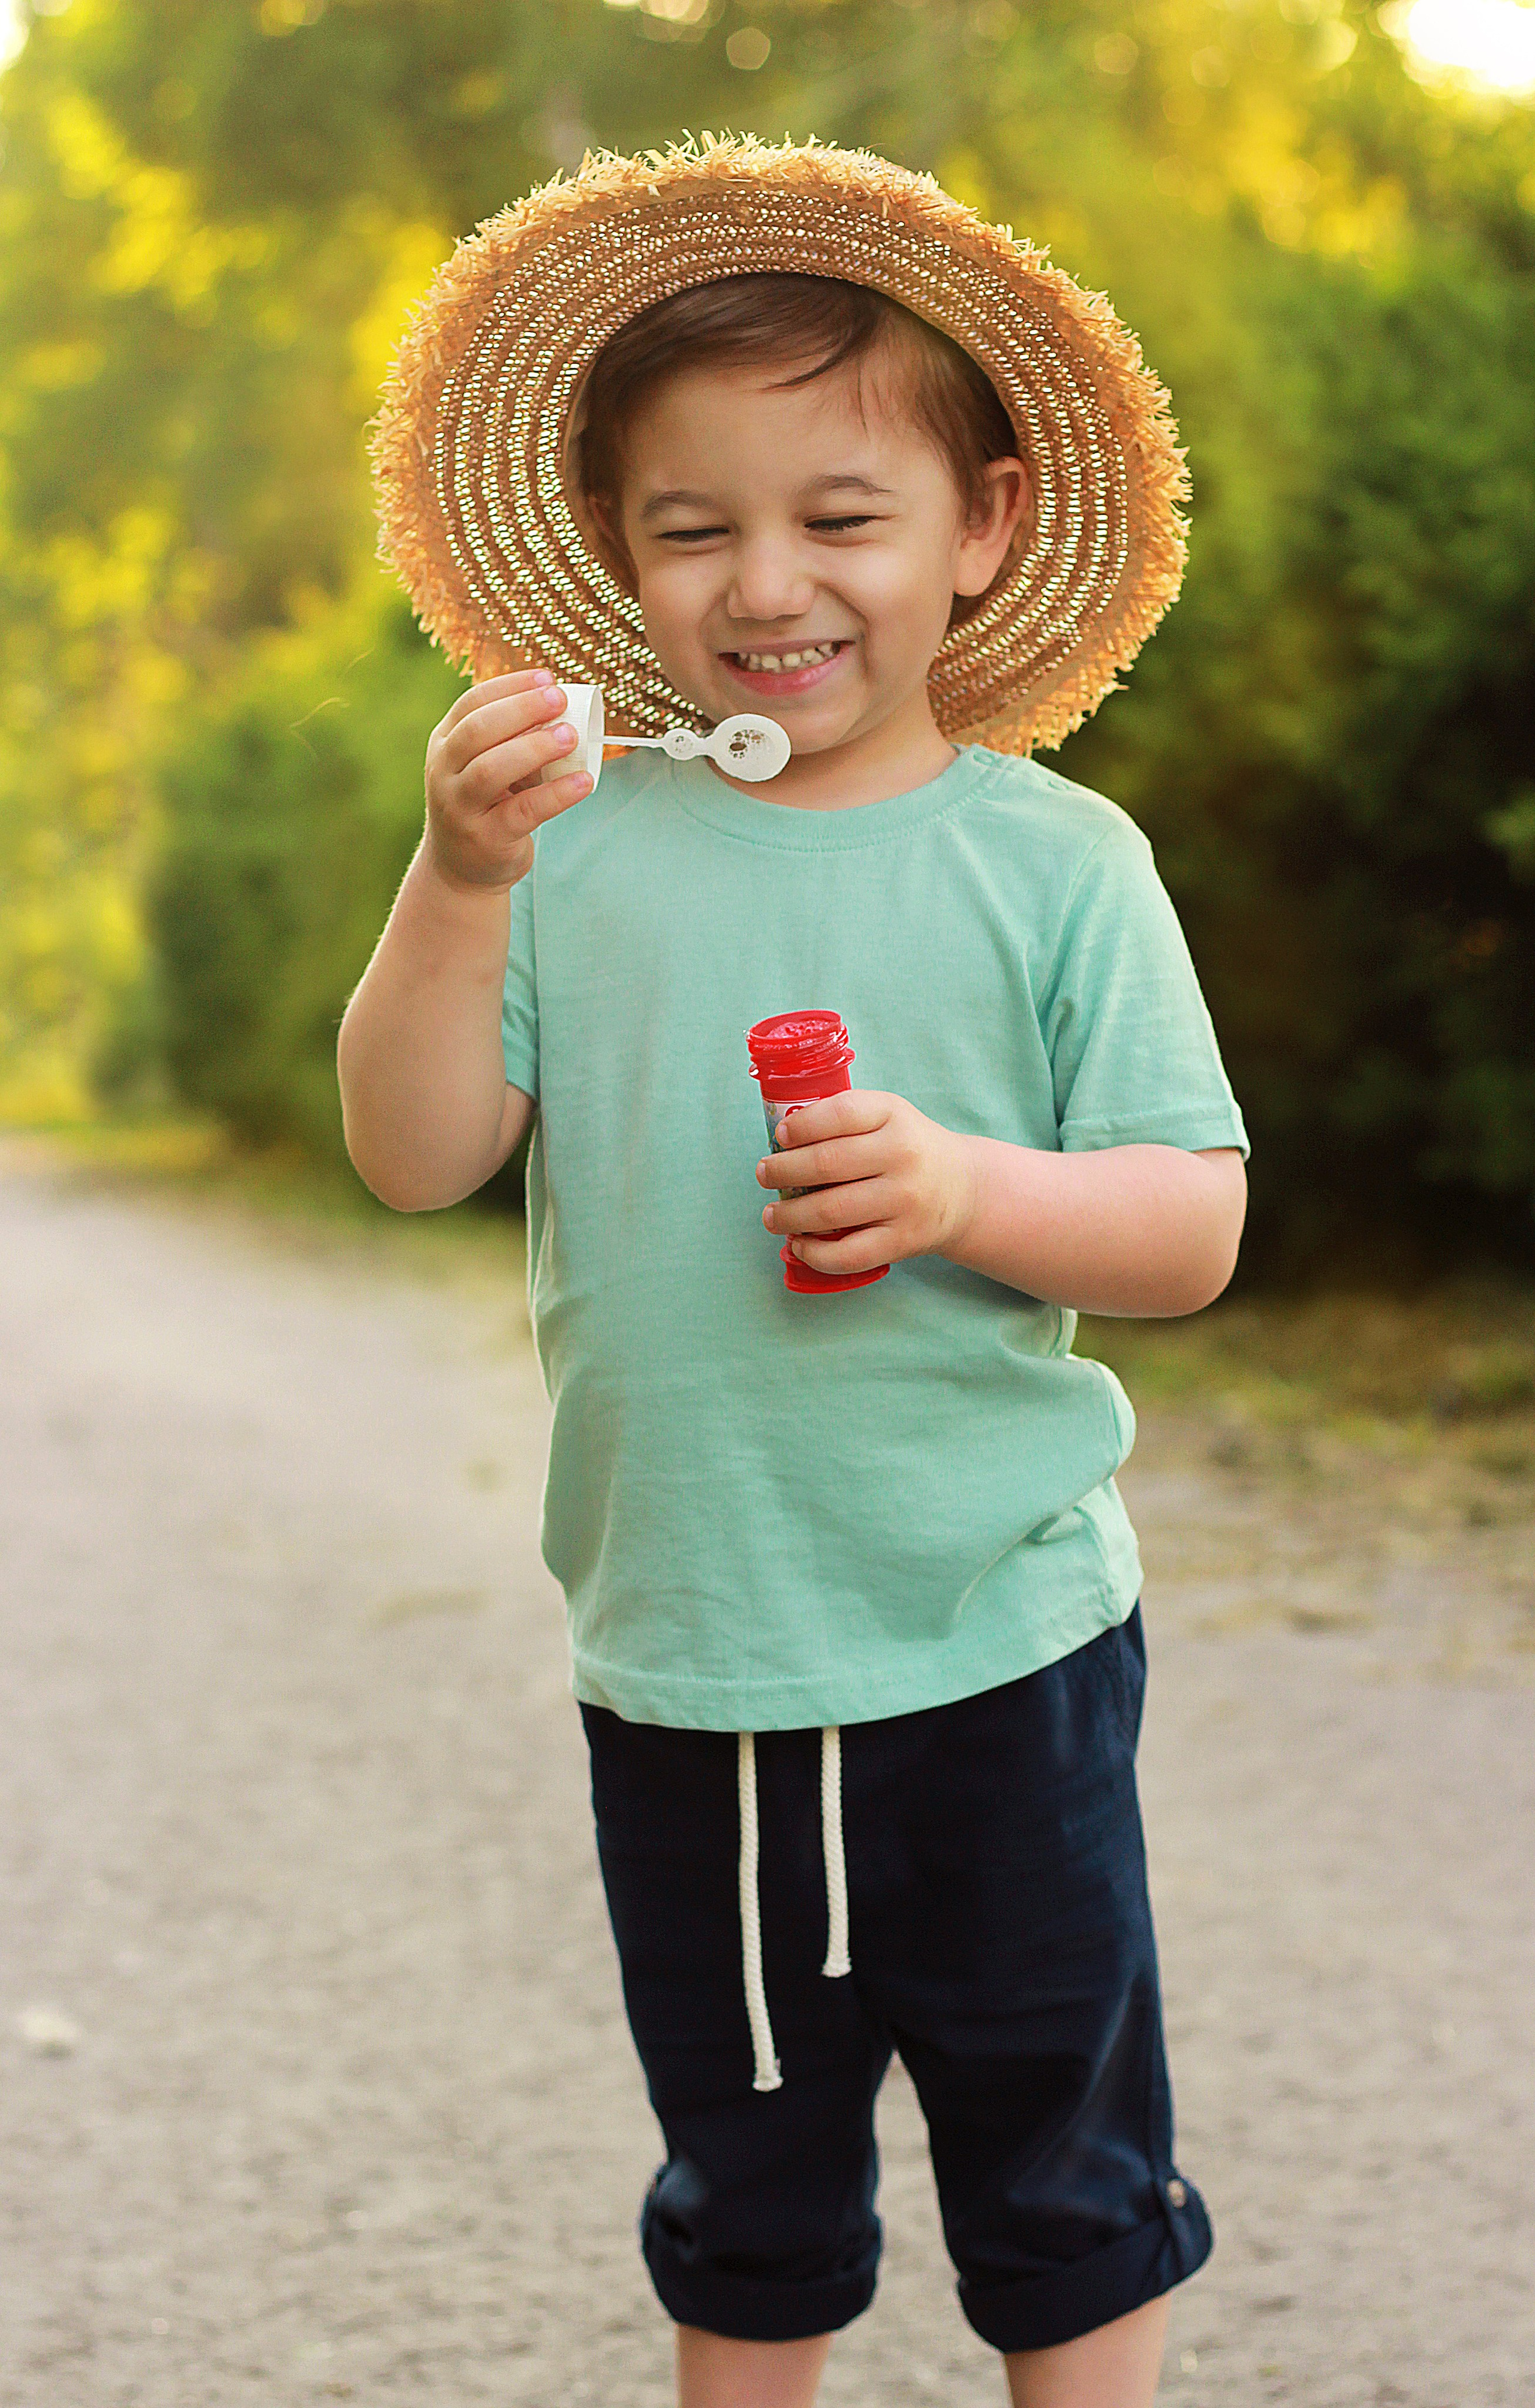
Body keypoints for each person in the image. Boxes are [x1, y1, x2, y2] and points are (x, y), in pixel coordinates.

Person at [341, 134, 1249, 2408]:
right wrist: (455, 888)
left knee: (1064, 2165)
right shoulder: (572, 860)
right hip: (696, 1650)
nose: (773, 581)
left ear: (986, 530)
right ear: (615, 558)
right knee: (747, 2186)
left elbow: (1190, 1226)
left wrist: (964, 1191)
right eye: (692, 526)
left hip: (1001, 1641)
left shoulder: (1057, 867)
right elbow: (407, 1152)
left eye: (843, 517)